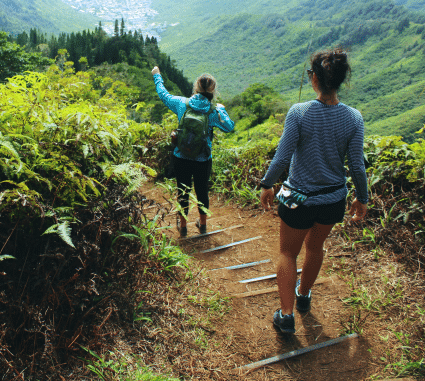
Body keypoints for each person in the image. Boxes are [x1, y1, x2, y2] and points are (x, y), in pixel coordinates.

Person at [259, 48, 368, 334]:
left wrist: (267, 184)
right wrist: (362, 198)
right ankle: (304, 295)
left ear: (315, 79)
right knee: (316, 247)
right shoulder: (354, 118)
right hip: (333, 200)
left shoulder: (299, 112)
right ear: (341, 80)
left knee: (287, 253)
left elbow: (282, 158)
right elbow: (357, 166)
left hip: (298, 201)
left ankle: (286, 316)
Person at [152, 66, 235, 237]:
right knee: (202, 190)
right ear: (213, 90)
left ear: (195, 87)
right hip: (203, 159)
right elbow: (229, 127)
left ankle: (183, 226)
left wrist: (157, 75)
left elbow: (163, 95)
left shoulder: (181, 104)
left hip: (181, 157)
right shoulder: (213, 111)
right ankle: (202, 225)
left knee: (183, 191)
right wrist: (221, 109)